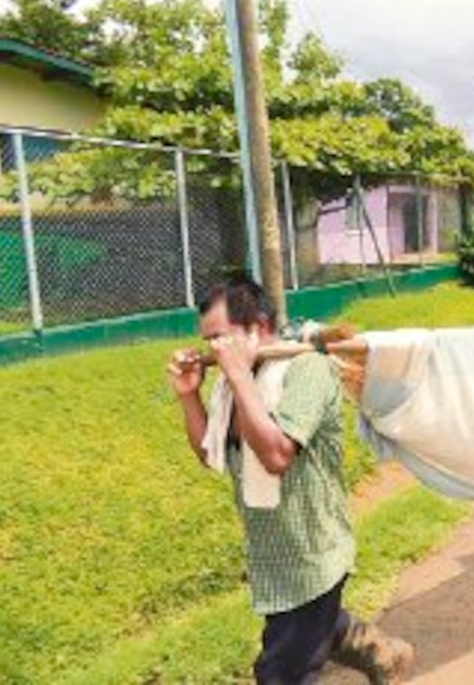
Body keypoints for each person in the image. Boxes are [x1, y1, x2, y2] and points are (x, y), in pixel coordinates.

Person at [167, 275, 413, 684]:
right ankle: (382, 653)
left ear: (259, 326)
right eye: (208, 340)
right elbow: (211, 453)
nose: (213, 351)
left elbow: (277, 456)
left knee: (281, 671)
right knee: (314, 629)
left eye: (221, 338)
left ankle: (359, 646)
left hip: (313, 554)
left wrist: (240, 378)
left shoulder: (307, 370)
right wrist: (188, 394)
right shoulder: (232, 385)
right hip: (271, 552)